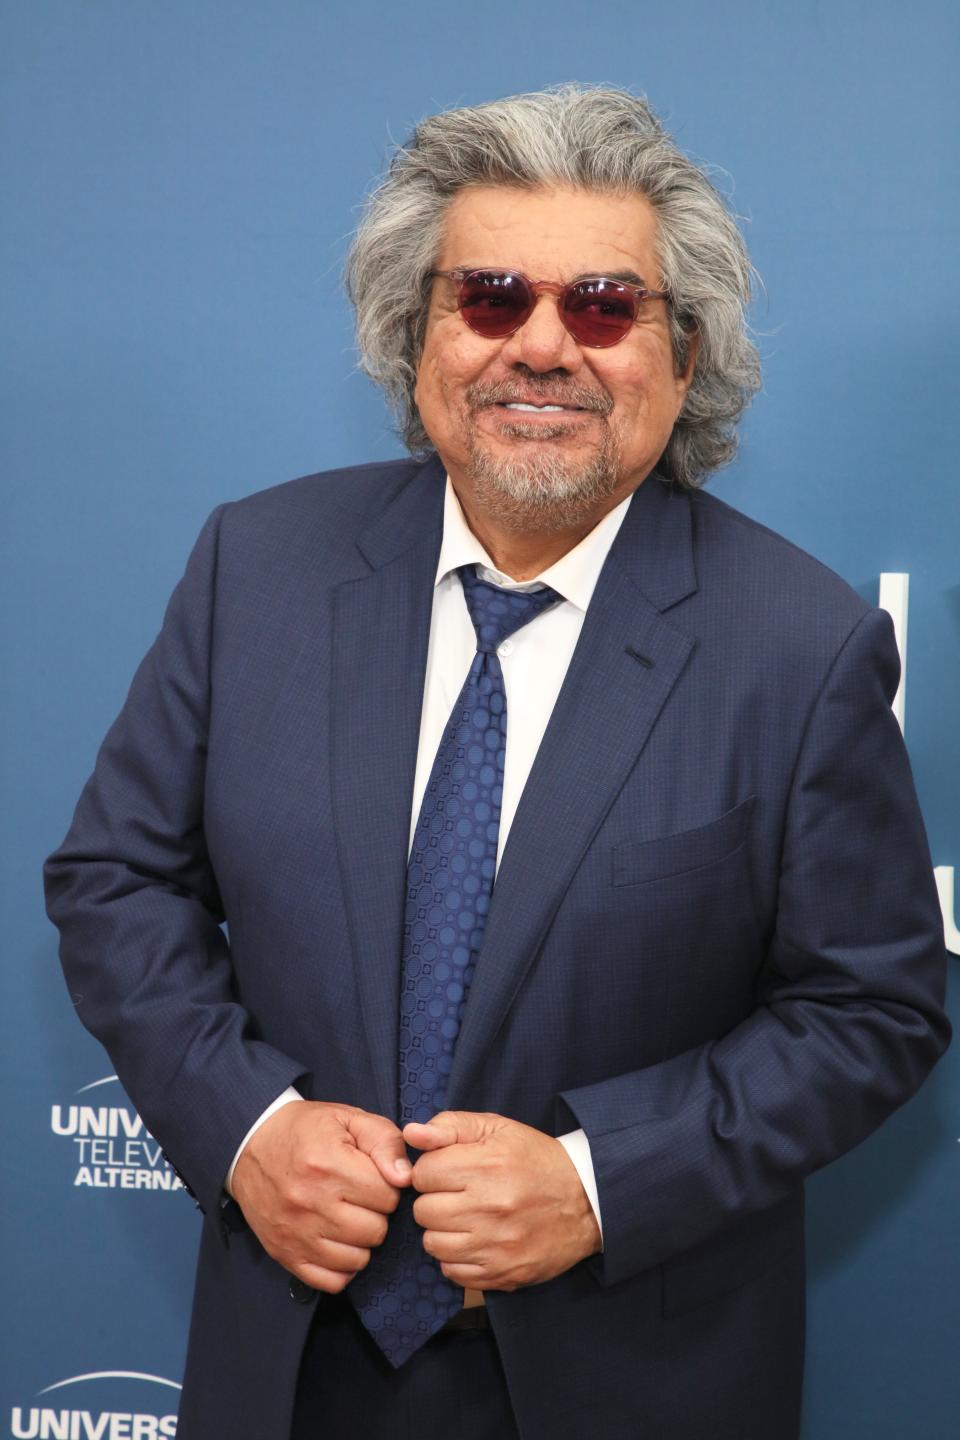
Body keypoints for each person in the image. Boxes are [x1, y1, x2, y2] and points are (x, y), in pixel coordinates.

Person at [44, 85, 950, 1440]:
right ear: (417, 342)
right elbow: (116, 880)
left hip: (631, 1376)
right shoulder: (258, 568)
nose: (542, 346)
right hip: (289, 1365)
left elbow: (872, 1010)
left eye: (600, 305)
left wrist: (599, 1182)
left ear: (683, 358)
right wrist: (249, 1134)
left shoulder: (801, 647)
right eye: (488, 298)